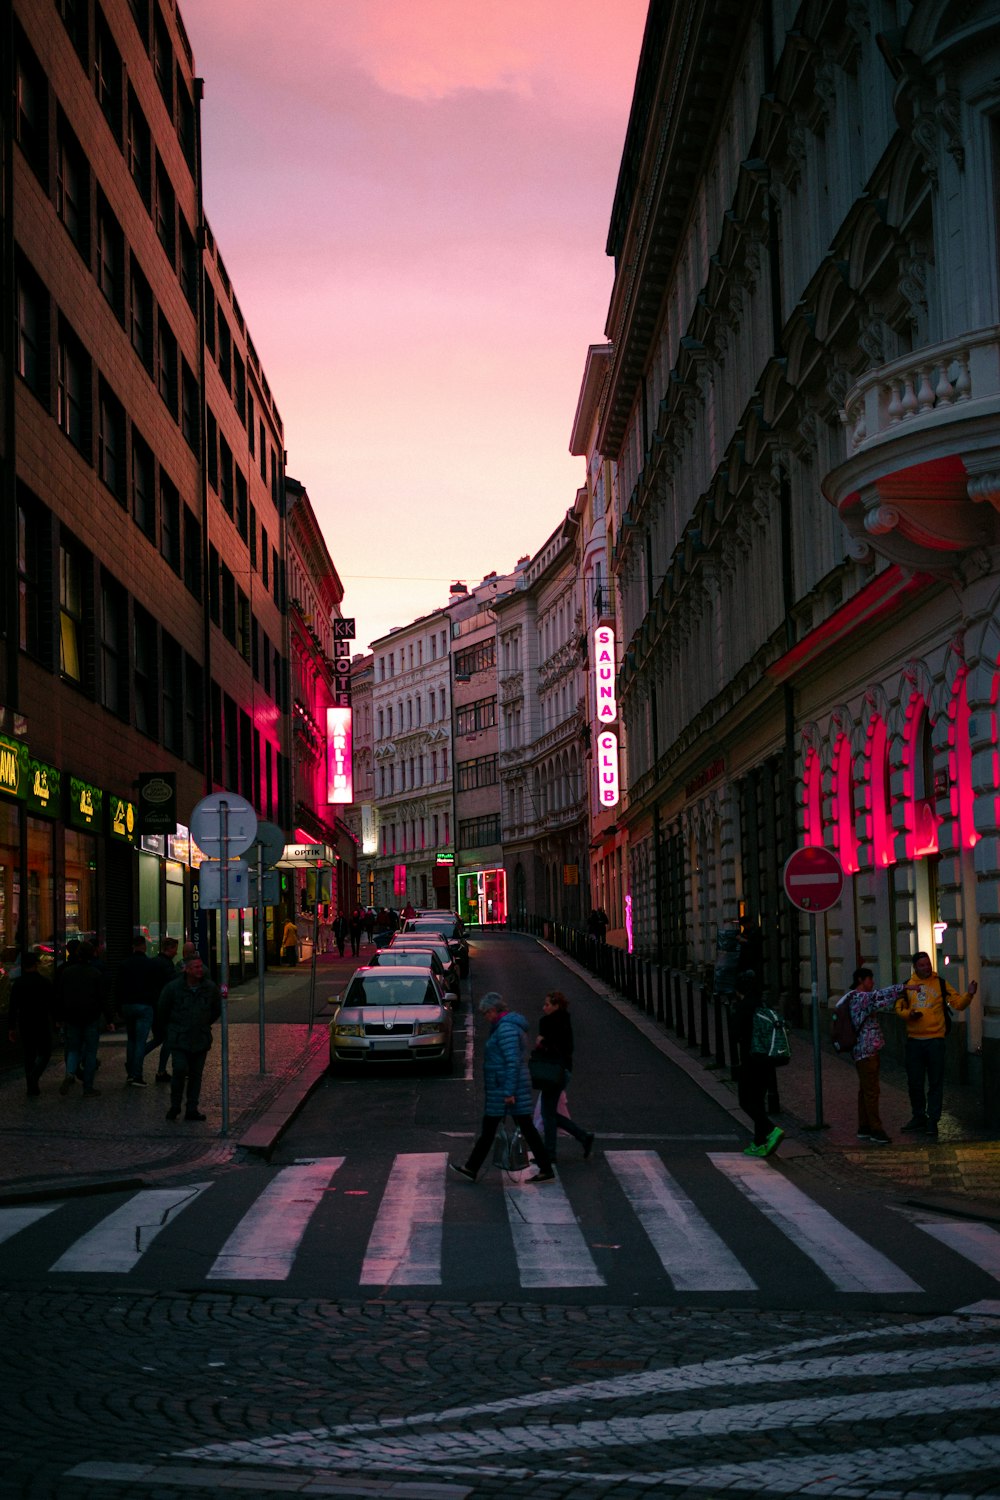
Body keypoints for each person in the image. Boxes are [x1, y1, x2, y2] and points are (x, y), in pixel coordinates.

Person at [449, 993, 555, 1184]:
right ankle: (472, 1167)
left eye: (485, 1014)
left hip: (506, 1089)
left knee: (497, 1130)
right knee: (514, 1129)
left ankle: (472, 1168)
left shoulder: (505, 1029)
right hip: (505, 1087)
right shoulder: (505, 1026)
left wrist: (508, 1092)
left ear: (492, 1011)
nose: (485, 1018)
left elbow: (512, 1061)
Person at [896, 951, 978, 1140]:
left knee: (935, 1082)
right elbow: (899, 1008)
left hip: (935, 1041)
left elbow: (957, 1003)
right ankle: (918, 1117)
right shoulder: (907, 985)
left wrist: (969, 995)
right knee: (915, 1082)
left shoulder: (940, 983)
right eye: (922, 965)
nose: (927, 967)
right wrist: (910, 1014)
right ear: (915, 967)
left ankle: (933, 1119)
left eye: (928, 963)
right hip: (914, 1041)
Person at [834, 967, 906, 1144]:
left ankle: (864, 1127)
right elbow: (879, 997)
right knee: (872, 1090)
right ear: (860, 980)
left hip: (862, 1051)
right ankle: (876, 1129)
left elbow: (878, 998)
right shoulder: (859, 998)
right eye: (869, 979)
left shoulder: (854, 998)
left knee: (865, 1090)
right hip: (866, 1051)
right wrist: (903, 988)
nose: (872, 983)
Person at [157, 955, 222, 1122]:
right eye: (196, 967)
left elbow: (216, 1009)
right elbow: (163, 1010)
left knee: (196, 1075)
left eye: (201, 967)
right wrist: (172, 1030)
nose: (199, 970)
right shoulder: (173, 988)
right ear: (186, 969)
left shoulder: (209, 988)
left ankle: (192, 1108)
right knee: (179, 1070)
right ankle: (175, 1105)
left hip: (200, 1038)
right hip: (179, 1038)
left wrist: (204, 1024)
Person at [532, 991, 595, 1162]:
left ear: (556, 1005)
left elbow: (549, 1048)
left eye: (547, 1004)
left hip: (551, 1072)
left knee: (548, 1113)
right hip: (563, 1070)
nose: (543, 1007)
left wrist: (541, 1043)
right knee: (549, 1112)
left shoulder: (546, 1023)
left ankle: (550, 1153)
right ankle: (582, 1137)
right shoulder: (565, 1021)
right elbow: (568, 1048)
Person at [731, 971, 783, 1157]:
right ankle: (759, 1143)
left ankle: (771, 1129)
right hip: (766, 1061)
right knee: (758, 1102)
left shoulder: (743, 1007)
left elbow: (735, 1034)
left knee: (745, 1101)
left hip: (750, 1060)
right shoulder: (762, 1004)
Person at [53, 941, 113, 1097]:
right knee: (91, 1052)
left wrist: (58, 1017)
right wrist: (109, 1019)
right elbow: (102, 998)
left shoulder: (67, 972)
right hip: (91, 1016)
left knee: (73, 1048)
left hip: (71, 1016)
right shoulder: (95, 973)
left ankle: (70, 1073)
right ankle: (88, 1086)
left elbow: (59, 996)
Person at [114, 934, 163, 1087]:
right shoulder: (150, 965)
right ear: (144, 946)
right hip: (144, 1006)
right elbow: (156, 987)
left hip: (128, 1005)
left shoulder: (124, 964)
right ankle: (137, 1075)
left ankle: (130, 1073)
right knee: (141, 1041)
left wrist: (118, 1007)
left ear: (133, 947)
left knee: (131, 1039)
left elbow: (119, 987)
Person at [7, 951, 54, 1096]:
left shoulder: (18, 984)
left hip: (25, 1021)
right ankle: (36, 1074)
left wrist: (11, 1027)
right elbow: (52, 1003)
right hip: (41, 1020)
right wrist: (57, 1020)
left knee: (29, 1054)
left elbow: (13, 1007)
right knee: (45, 1052)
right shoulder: (44, 982)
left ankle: (31, 1086)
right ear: (36, 964)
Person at [151, 938, 184, 1083]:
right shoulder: (167, 965)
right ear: (169, 948)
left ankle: (135, 1062)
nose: (176, 952)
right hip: (163, 1007)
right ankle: (160, 1070)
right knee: (167, 1040)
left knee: (159, 1038)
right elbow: (171, 982)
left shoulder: (154, 962)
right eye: (175, 949)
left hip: (154, 1004)